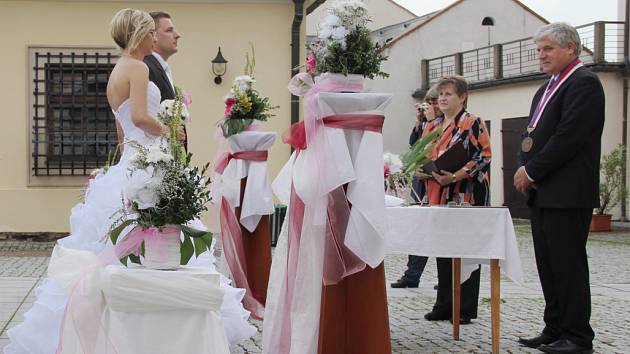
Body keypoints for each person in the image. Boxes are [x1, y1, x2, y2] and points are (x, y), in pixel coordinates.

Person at [3, 9, 254, 354]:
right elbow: (138, 116)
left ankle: (114, 328)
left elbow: (123, 133)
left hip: (128, 163)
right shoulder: (137, 67)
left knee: (114, 249)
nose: (154, 39)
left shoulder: (116, 71)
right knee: (159, 252)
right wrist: (170, 129)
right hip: (146, 165)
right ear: (139, 34)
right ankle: (159, 329)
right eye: (151, 32)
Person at [514, 22, 603, 354]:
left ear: (571, 48)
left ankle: (578, 336)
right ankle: (554, 328)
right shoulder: (546, 88)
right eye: (539, 50)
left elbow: (570, 136)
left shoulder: (584, 84)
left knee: (568, 265)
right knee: (548, 265)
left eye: (548, 48)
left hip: (568, 192)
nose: (542, 55)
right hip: (543, 191)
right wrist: (523, 163)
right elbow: (530, 133)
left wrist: (532, 170)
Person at [422, 76, 491, 325]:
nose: (442, 98)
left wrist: (455, 175)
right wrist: (426, 170)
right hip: (438, 191)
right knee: (443, 247)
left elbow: (484, 155)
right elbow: (424, 155)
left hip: (466, 192)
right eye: (440, 94)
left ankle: (464, 307)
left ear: (462, 97)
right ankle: (444, 304)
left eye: (448, 94)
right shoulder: (433, 126)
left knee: (465, 248)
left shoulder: (472, 123)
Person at [391, 86, 440, 289]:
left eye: (433, 102)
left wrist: (430, 121)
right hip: (421, 180)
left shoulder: (445, 123)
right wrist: (420, 122)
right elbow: (414, 144)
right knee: (418, 227)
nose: (431, 106)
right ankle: (412, 275)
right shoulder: (425, 123)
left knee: (437, 229)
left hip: (437, 181)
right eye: (428, 102)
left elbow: (436, 145)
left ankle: (445, 278)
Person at [143, 11, 188, 150]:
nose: (177, 35)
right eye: (169, 30)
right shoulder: (145, 67)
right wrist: (170, 131)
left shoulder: (161, 68)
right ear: (153, 35)